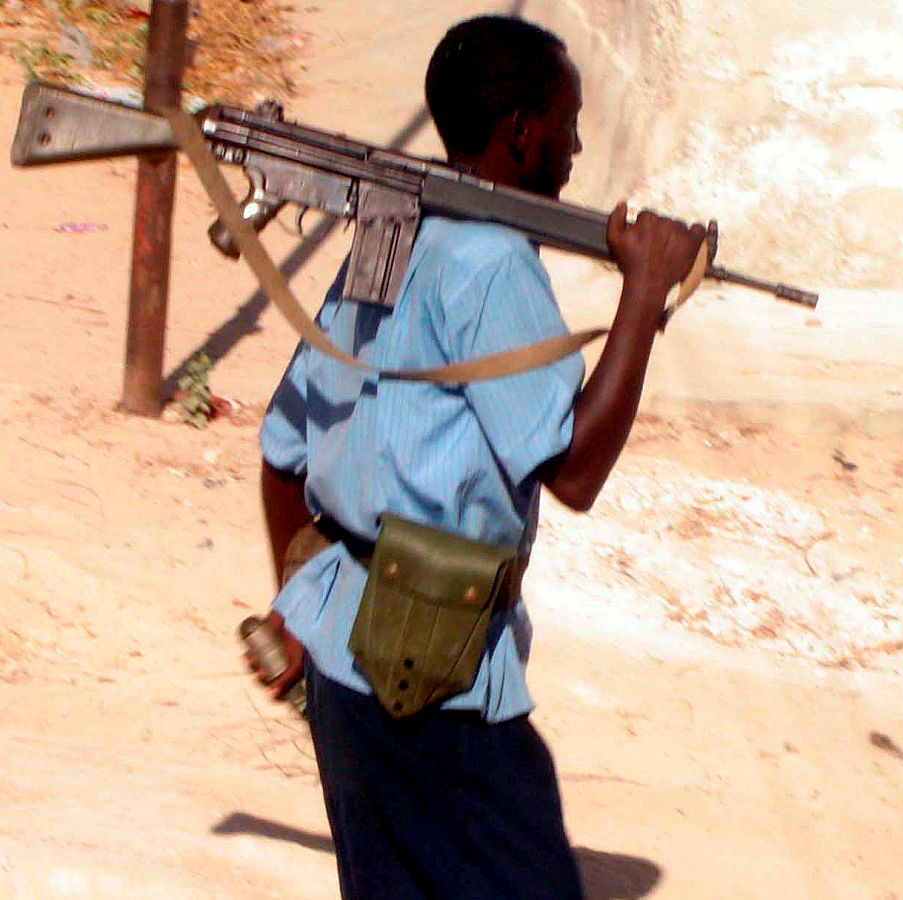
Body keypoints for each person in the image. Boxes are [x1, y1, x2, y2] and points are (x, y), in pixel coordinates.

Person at [248, 15, 705, 899]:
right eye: (568, 124)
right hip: (437, 679)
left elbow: (280, 452)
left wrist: (297, 608)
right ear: (520, 131)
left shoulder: (387, 239)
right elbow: (573, 475)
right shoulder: (495, 264)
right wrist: (644, 292)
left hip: (345, 667)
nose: (576, 147)